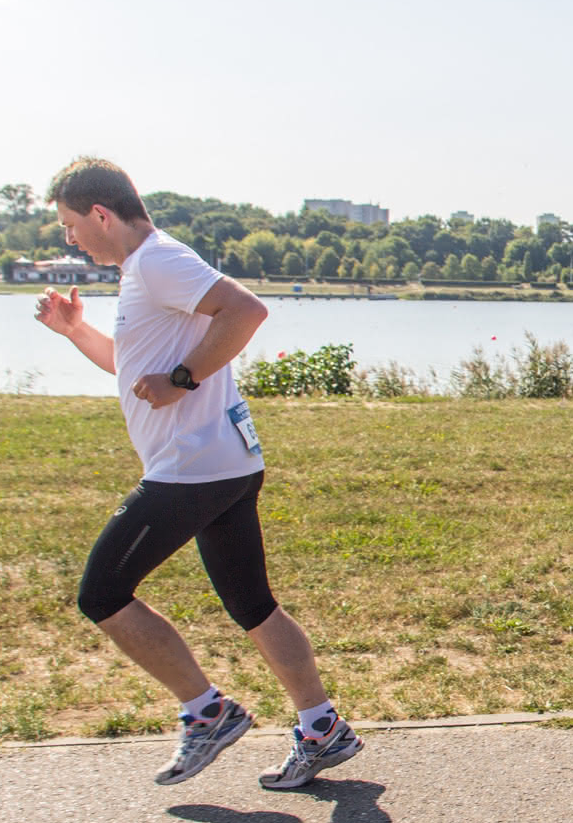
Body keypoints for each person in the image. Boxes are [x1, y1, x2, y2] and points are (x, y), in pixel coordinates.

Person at [34, 157, 363, 788]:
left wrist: (184, 379)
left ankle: (205, 711)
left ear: (100, 214)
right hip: (223, 463)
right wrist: (77, 332)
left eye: (70, 225)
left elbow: (245, 310)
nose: (69, 238)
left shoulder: (157, 261)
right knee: (253, 605)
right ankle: (321, 728)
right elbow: (138, 371)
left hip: (190, 469)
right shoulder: (145, 270)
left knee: (101, 594)